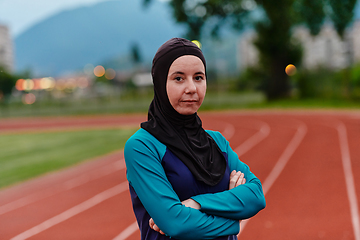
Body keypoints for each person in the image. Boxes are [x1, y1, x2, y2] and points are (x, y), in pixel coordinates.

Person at [124, 38, 266, 240]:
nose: (192, 88)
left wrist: (196, 204)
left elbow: (256, 196)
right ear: (160, 83)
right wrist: (233, 219)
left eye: (198, 77)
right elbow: (175, 224)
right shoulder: (142, 146)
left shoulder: (217, 142)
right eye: (179, 79)